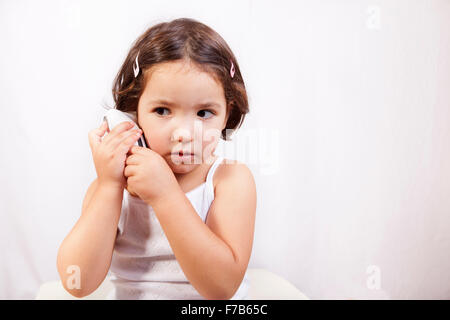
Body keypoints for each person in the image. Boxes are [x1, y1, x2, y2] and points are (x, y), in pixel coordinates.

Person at [56, 18, 256, 300]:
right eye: (162, 111)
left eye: (204, 113)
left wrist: (165, 195)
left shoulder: (229, 179)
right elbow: (77, 283)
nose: (184, 133)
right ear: (132, 111)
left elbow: (221, 289)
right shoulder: (113, 187)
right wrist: (109, 188)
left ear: (227, 113)